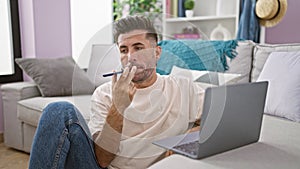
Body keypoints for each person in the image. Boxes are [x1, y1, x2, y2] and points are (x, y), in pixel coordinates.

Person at [28, 15, 204, 169]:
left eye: (138, 47)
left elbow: (219, 123)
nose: (130, 57)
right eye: (124, 50)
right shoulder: (104, 94)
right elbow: (102, 160)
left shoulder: (182, 87)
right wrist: (118, 107)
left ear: (157, 52)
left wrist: (185, 140)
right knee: (59, 110)